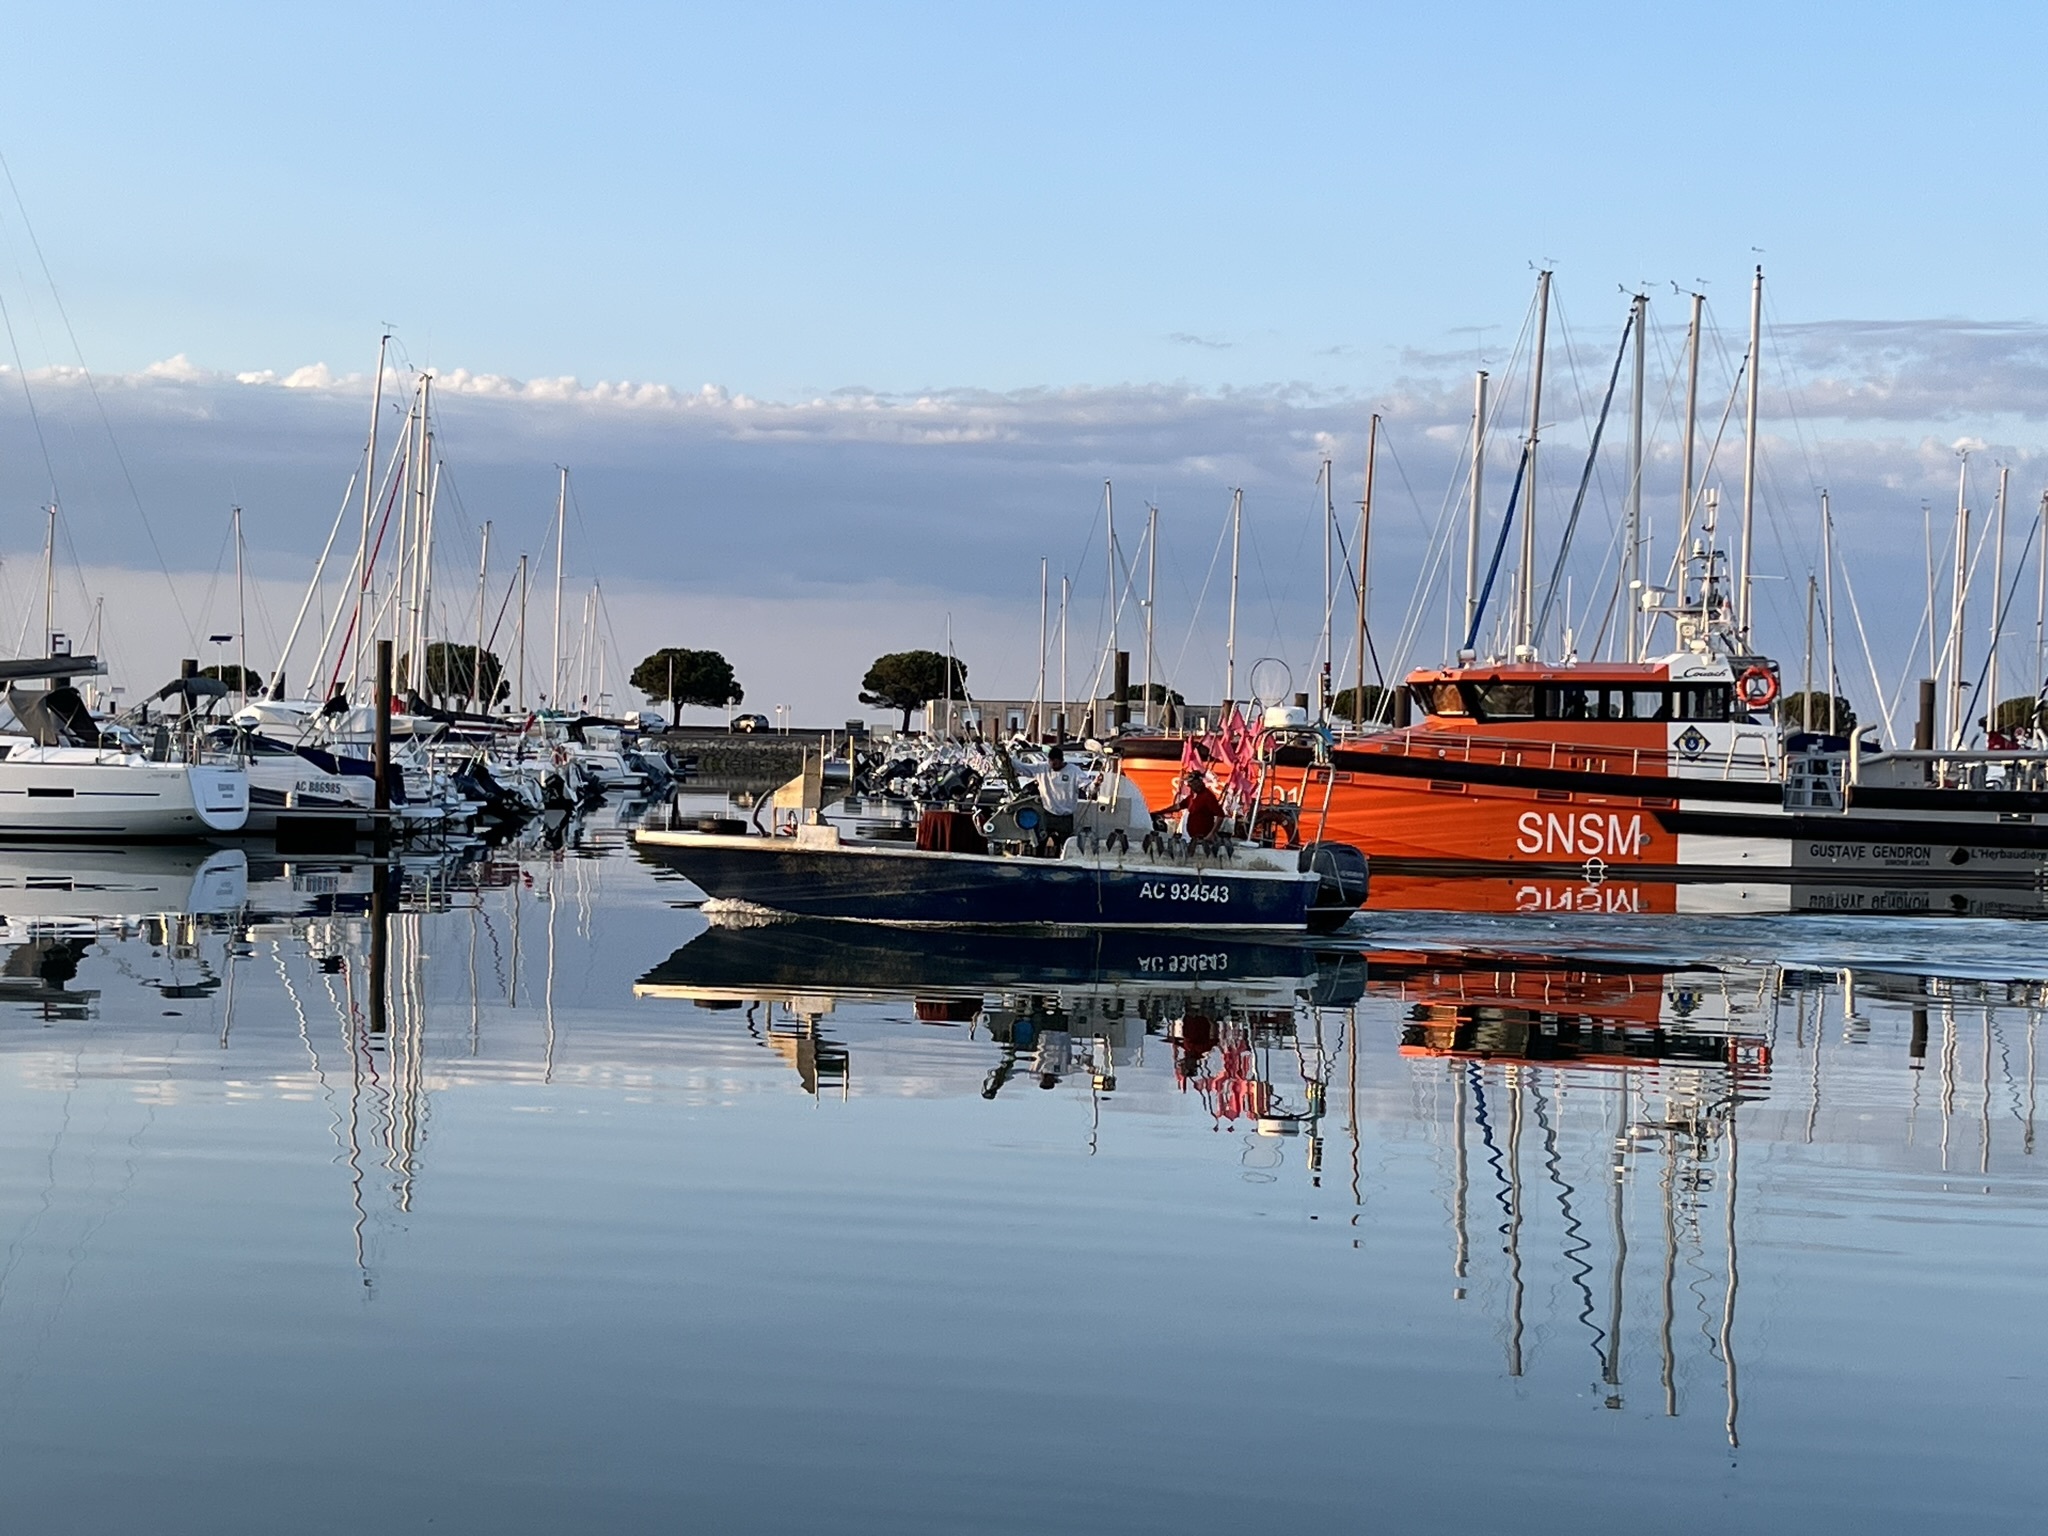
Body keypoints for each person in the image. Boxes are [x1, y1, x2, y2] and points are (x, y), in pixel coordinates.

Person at [1037, 745, 1080, 848]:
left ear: (1061, 760)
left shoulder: (1074, 770)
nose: (1052, 765)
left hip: (1065, 817)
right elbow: (1023, 768)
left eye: (1055, 763)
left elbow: (1087, 785)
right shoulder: (1042, 768)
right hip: (1047, 814)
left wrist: (1095, 784)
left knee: (1066, 845)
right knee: (1040, 843)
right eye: (1050, 762)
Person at [1165, 768, 1225, 841]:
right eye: (1191, 785)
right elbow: (1178, 806)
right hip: (1191, 837)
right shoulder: (1192, 796)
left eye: (1196, 783)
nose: (1193, 786)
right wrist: (1161, 811)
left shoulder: (1207, 796)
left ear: (1200, 782)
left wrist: (1211, 833)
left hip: (1203, 838)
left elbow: (1220, 815)